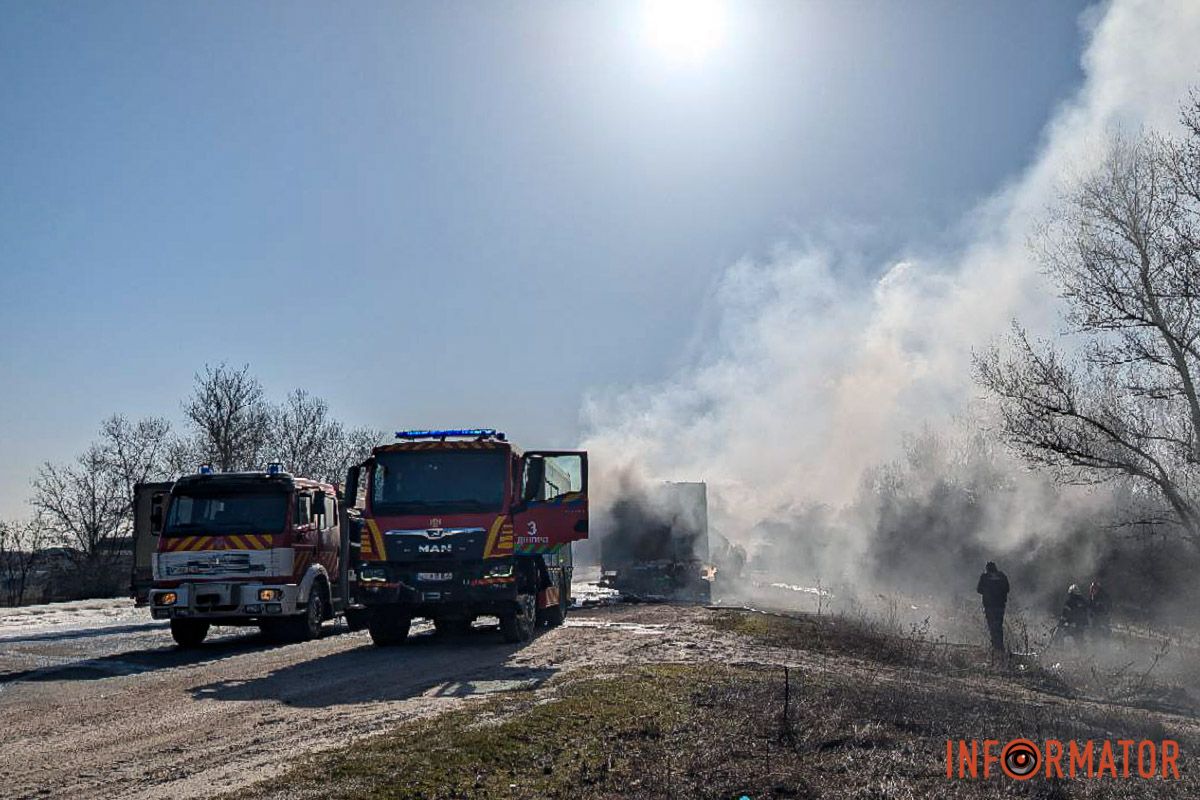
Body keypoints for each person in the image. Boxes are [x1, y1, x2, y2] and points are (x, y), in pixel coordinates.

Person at [976, 561, 1010, 652]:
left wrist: (988, 592)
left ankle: (996, 647)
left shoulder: (985, 577)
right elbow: (1007, 589)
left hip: (989, 606)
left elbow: (979, 590)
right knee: (998, 625)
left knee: (992, 626)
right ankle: (1000, 646)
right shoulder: (1002, 576)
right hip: (1000, 606)